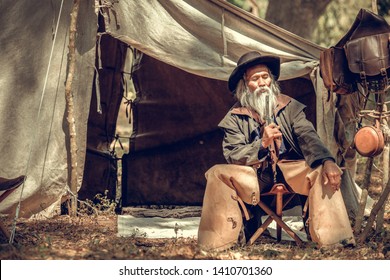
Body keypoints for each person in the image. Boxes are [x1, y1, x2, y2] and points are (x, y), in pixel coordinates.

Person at [197, 51, 355, 251]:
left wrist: (327, 160)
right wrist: (261, 145)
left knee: (321, 170)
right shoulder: (235, 117)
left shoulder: (289, 107)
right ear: (245, 85)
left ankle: (334, 241)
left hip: (291, 171)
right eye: (255, 79)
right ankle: (217, 243)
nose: (262, 83)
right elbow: (233, 154)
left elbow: (309, 137)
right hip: (254, 175)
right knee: (217, 172)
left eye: (265, 77)